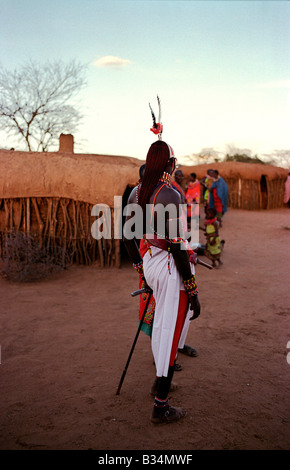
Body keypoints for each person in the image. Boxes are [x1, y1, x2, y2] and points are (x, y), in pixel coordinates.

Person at [123, 140, 201, 424]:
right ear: (169, 164)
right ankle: (161, 407)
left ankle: (159, 385)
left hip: (151, 263)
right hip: (170, 267)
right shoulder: (169, 193)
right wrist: (192, 290)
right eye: (174, 162)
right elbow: (178, 246)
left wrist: (140, 268)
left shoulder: (137, 191)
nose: (175, 166)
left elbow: (127, 236)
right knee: (170, 330)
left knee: (162, 326)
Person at [137, 164, 198, 362]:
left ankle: (175, 347)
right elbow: (164, 237)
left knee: (178, 308)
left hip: (175, 254)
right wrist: (141, 268)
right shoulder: (145, 195)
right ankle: (162, 358)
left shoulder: (174, 191)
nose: (176, 175)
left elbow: (177, 231)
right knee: (160, 311)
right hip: (159, 258)